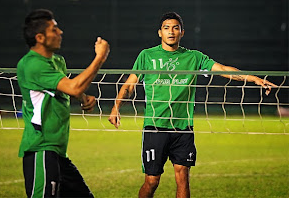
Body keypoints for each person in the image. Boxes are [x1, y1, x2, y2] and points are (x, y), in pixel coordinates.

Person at [108, 12, 276, 198]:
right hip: (155, 128)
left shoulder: (193, 57)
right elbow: (130, 85)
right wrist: (116, 107)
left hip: (183, 129)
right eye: (166, 28)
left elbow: (222, 70)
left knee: (183, 178)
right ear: (159, 33)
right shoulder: (147, 56)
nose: (171, 32)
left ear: (182, 32)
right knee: (152, 181)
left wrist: (253, 79)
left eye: (175, 28)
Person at [17, 9, 109, 198]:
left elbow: (64, 88)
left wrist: (83, 98)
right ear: (40, 37)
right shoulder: (32, 64)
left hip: (58, 153)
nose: (60, 33)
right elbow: (74, 87)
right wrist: (100, 57)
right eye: (54, 29)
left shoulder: (57, 61)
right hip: (41, 150)